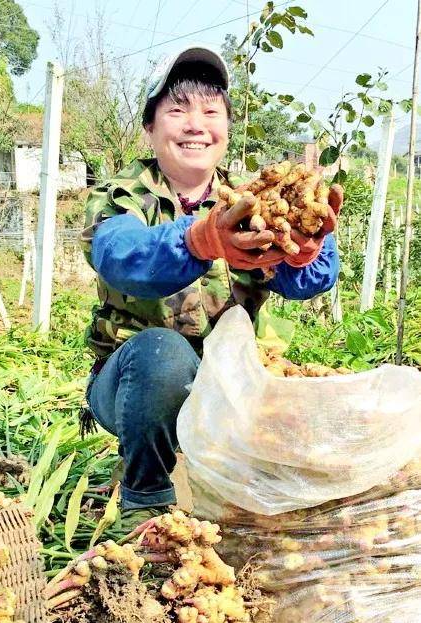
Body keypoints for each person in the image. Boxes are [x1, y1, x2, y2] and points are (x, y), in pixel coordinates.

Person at [80, 45, 342, 529]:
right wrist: (199, 240)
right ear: (150, 127)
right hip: (133, 388)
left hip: (227, 388)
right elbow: (120, 257)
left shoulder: (254, 201)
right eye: (177, 110)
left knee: (298, 389)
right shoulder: (119, 197)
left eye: (210, 111)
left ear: (225, 129)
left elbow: (305, 281)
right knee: (163, 352)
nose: (195, 124)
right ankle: (147, 500)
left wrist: (305, 253)